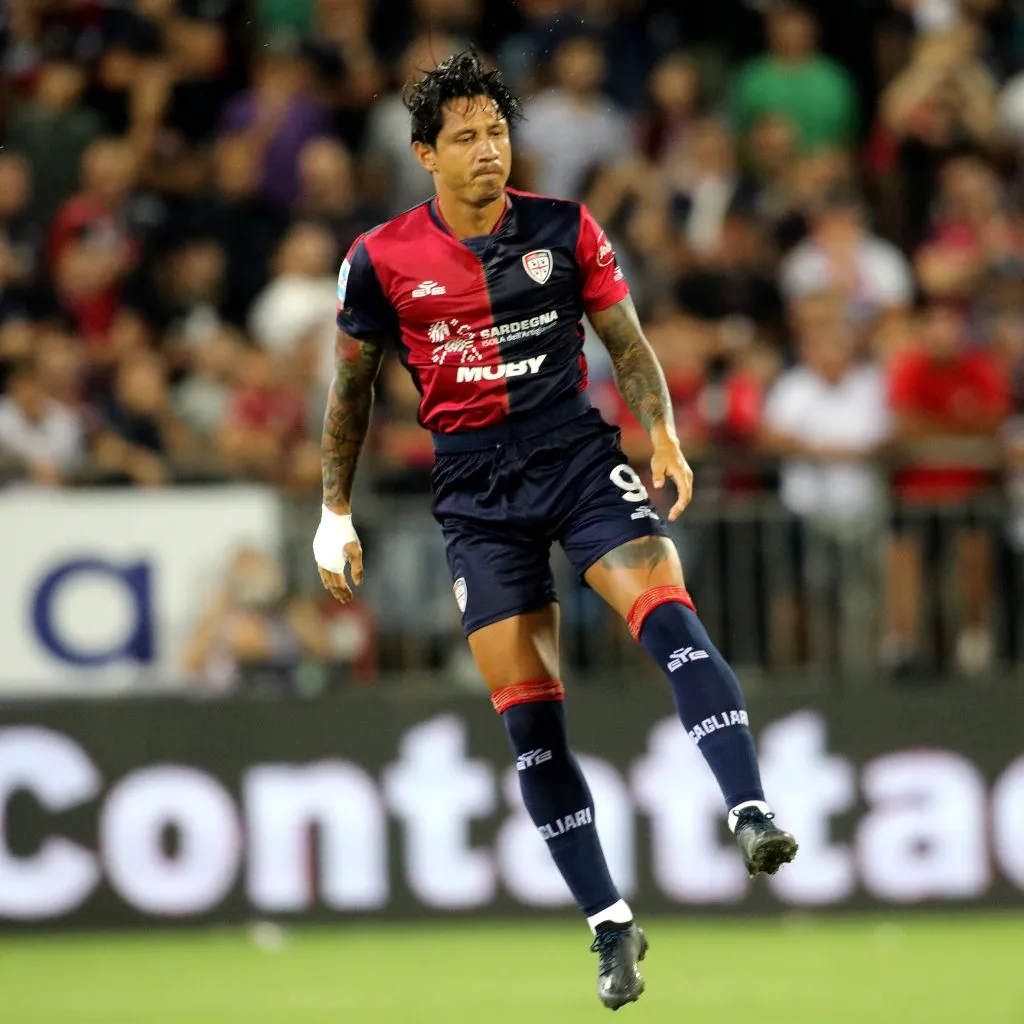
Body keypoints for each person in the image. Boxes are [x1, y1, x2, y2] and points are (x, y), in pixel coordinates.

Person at [312, 52, 798, 1011]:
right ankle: (609, 924)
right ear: (425, 155)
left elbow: (625, 340)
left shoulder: (565, 228)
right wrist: (333, 510)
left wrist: (659, 426)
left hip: (574, 454)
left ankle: (749, 809)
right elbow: (352, 390)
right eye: (465, 137)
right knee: (530, 717)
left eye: (496, 131)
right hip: (474, 487)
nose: (488, 149)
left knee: (664, 612)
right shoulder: (379, 259)